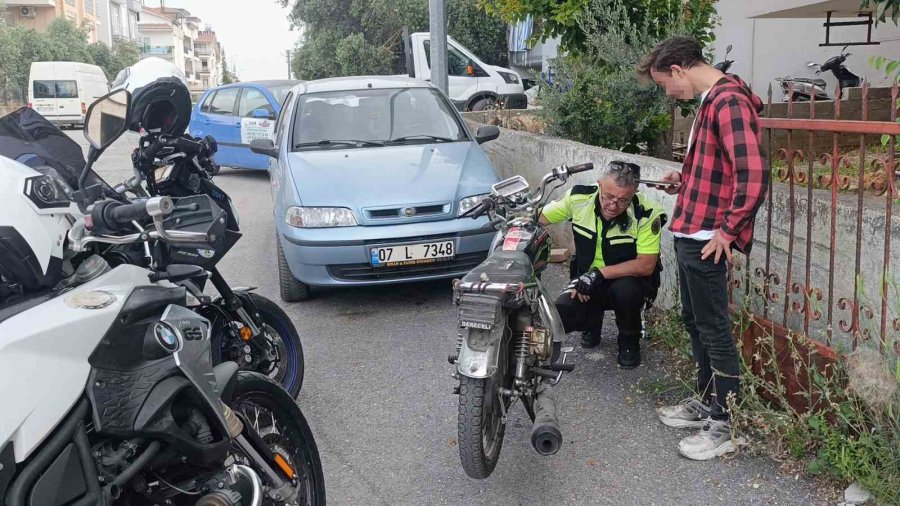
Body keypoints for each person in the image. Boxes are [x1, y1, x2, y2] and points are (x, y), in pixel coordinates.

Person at [638, 37, 769, 460]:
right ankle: (707, 401)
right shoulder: (712, 102)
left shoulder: (728, 102)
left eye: (664, 85)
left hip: (708, 239)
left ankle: (725, 423)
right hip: (692, 231)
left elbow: (753, 177)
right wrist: (685, 179)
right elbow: (721, 169)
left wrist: (728, 232)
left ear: (678, 69)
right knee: (695, 322)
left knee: (713, 329)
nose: (668, 94)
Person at [539, 161, 667, 369]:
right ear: (599, 184)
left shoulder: (646, 212)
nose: (613, 206)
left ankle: (629, 340)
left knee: (626, 291)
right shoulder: (578, 198)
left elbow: (646, 265)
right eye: (608, 196)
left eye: (623, 200)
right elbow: (539, 218)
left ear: (634, 193)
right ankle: (592, 322)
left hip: (627, 283)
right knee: (559, 317)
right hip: (586, 282)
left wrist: (599, 273)